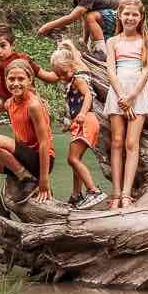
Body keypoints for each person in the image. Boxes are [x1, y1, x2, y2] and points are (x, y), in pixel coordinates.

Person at [0, 58, 54, 212]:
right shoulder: (10, 103)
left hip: (39, 160)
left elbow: (45, 143)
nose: (16, 83)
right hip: (23, 160)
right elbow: (5, 109)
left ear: (30, 81)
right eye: (11, 79)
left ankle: (26, 178)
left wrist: (44, 181)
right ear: (6, 80)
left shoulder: (33, 105)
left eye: (21, 79)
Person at [104, 0, 148, 210]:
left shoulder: (145, 40)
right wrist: (121, 96)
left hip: (137, 92)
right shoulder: (112, 41)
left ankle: (126, 194)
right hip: (117, 92)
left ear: (141, 17)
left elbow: (147, 69)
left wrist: (132, 96)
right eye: (126, 14)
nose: (130, 18)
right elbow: (110, 70)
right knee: (116, 142)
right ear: (120, 15)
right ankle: (115, 193)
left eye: (135, 14)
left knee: (132, 144)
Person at [49, 39, 107, 210]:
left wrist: (81, 114)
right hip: (82, 122)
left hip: (87, 120)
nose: (62, 78)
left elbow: (88, 96)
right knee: (76, 159)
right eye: (58, 75)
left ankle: (94, 191)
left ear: (72, 66)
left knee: (72, 159)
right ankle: (76, 195)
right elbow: (78, 58)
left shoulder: (78, 79)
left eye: (64, 73)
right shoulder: (81, 71)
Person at [38, 0, 120, 56]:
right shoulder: (76, 0)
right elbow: (85, 21)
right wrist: (84, 42)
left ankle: (101, 51)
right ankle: (94, 48)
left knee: (90, 16)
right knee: (88, 18)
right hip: (109, 20)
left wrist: (47, 26)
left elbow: (71, 18)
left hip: (120, 17)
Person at [0, 21, 44, 110]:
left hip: (19, 114)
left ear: (12, 45)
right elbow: (50, 77)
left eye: (2, 46)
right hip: (36, 107)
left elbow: (5, 103)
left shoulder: (2, 67)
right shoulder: (24, 57)